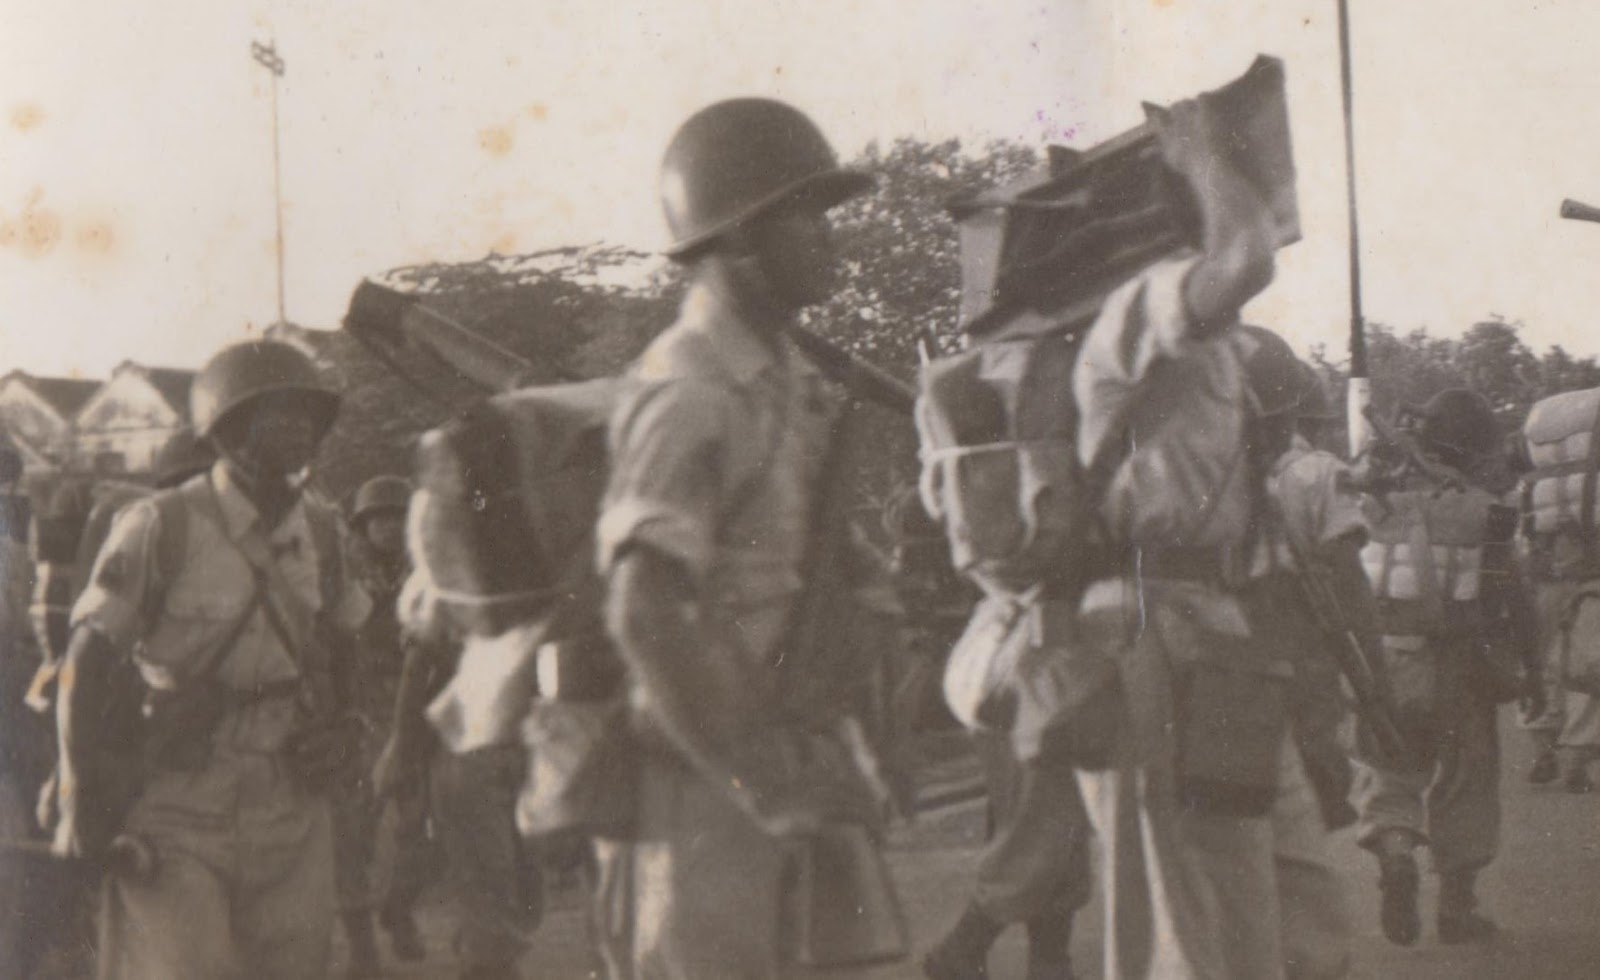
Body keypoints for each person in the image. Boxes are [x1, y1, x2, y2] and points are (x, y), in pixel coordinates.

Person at [592, 96, 878, 980]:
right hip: (704, 783)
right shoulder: (689, 390)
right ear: (743, 237)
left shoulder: (785, 379)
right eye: (808, 215)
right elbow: (645, 611)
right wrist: (763, 781)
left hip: (781, 759)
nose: (830, 237)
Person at [44, 339, 371, 979]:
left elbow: (346, 640)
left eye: (309, 415)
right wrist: (76, 795)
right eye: (279, 414)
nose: (301, 429)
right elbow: (83, 661)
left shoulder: (322, 531)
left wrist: (351, 723)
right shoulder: (162, 525)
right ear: (229, 431)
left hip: (290, 797)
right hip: (178, 795)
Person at [1068, 96, 1284, 979]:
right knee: (1177, 909)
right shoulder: (1144, 300)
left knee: (1237, 898)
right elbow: (1249, 257)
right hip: (1147, 618)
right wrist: (1202, 153)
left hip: (1201, 615)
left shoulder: (1211, 341)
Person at [1352, 387, 1540, 946]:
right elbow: (1514, 600)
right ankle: (1457, 908)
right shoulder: (1491, 513)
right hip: (1463, 667)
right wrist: (1532, 671)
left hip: (1390, 661)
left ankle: (1396, 857)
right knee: (1466, 782)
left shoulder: (1376, 504)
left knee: (1390, 772)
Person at [1237, 338, 1366, 979]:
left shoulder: (1222, 477)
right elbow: (1347, 578)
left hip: (1237, 667)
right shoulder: (1318, 473)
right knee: (1305, 798)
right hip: (1298, 653)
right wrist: (1370, 676)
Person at [334, 474, 436, 977]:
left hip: (413, 707)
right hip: (360, 708)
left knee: (422, 824)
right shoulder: (345, 571)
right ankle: (360, 944)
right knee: (355, 829)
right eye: (380, 519)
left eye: (399, 517)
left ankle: (399, 908)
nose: (390, 527)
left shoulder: (427, 568)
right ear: (363, 526)